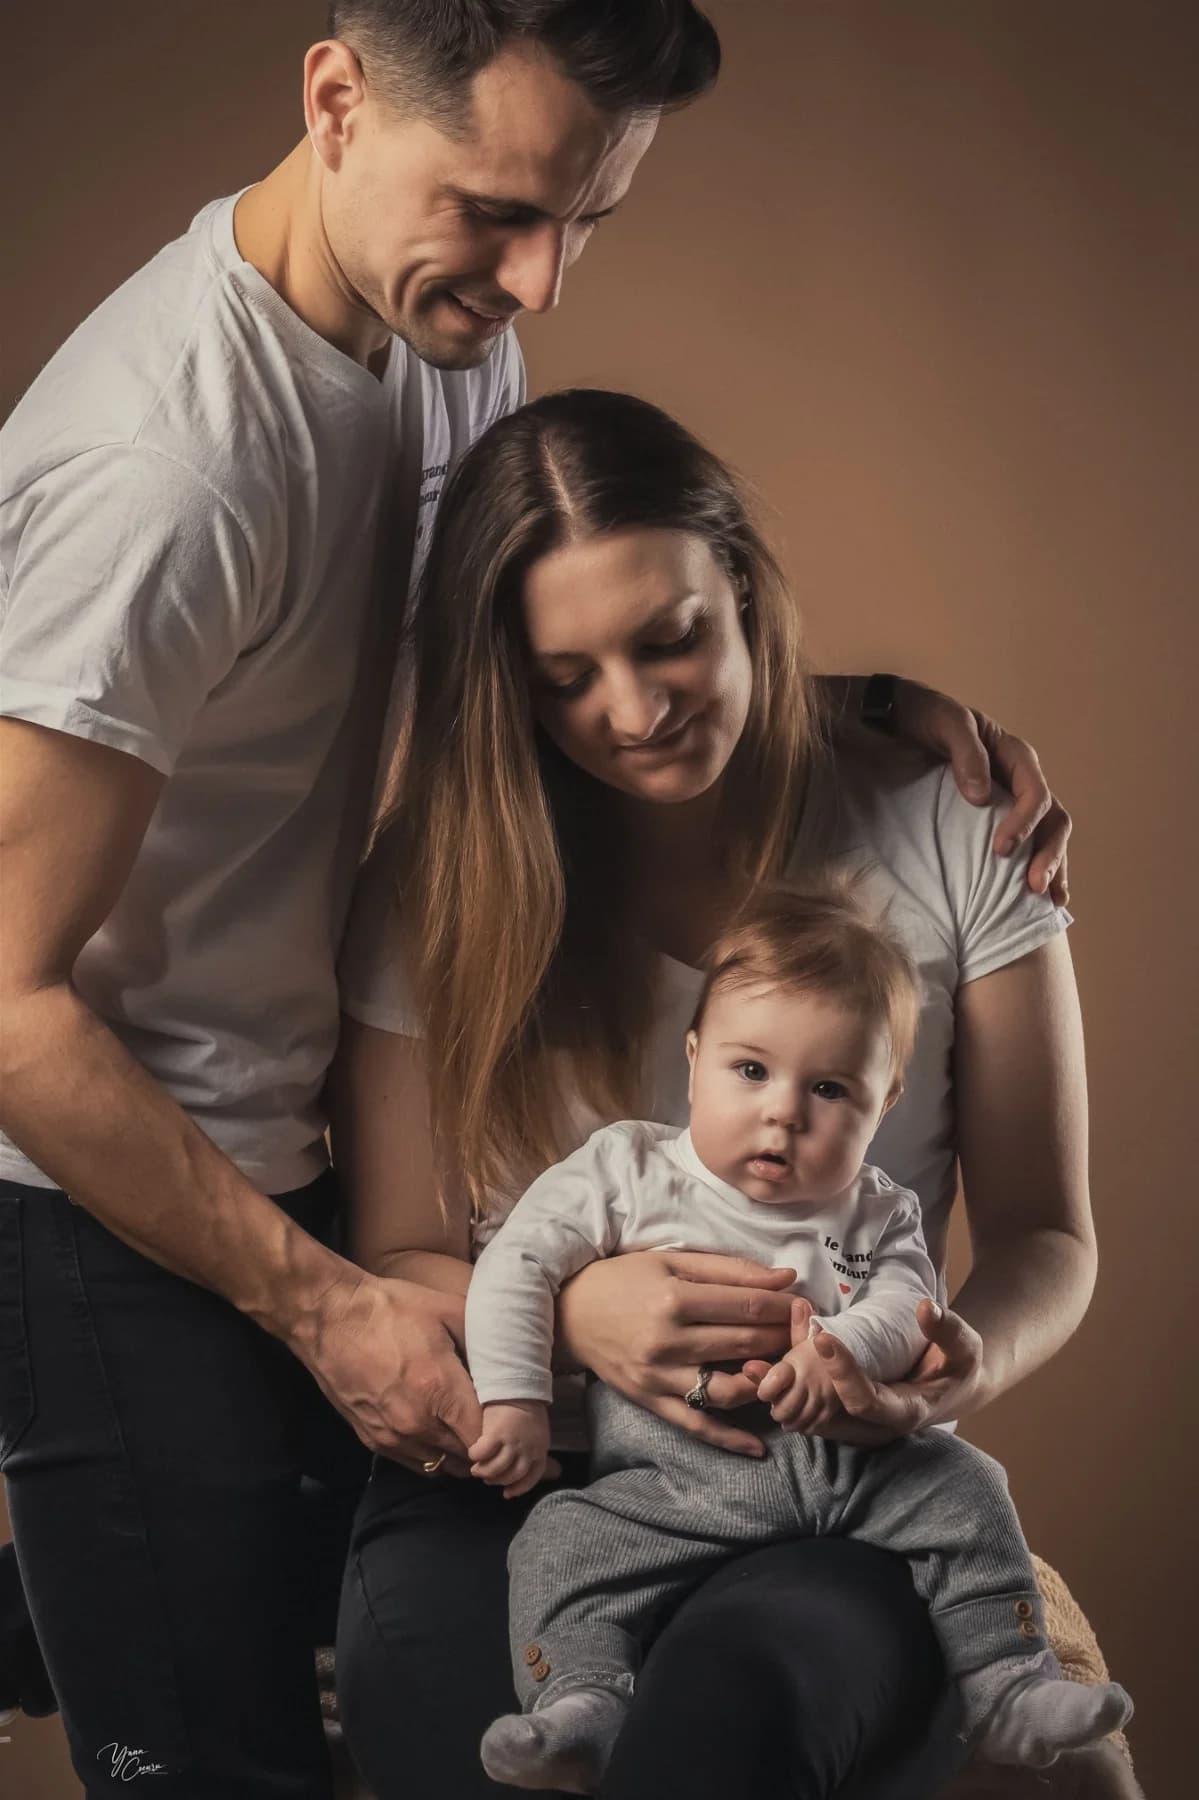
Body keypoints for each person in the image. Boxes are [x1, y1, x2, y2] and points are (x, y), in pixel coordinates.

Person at [0, 4, 1075, 1793]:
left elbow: (563, 649)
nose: (540, 279)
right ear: (334, 97)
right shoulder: (163, 473)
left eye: (583, 219)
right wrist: (335, 1307)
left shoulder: (438, 334)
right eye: (499, 209)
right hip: (117, 1200)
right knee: (229, 1753)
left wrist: (842, 713)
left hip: (306, 1147)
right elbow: (5, 997)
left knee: (326, 1634)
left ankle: (65, 1594)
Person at [331, 388, 1104, 1799]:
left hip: (823, 1482)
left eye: (670, 638)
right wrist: (565, 1314)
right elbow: (394, 1251)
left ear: (738, 579)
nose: (629, 712)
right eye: (563, 676)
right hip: (517, 1473)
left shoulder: (947, 820)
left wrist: (946, 1371)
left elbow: (1047, 1235)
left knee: (726, 1724)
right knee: (452, 1730)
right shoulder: (436, 879)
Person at [462, 888, 1131, 1792]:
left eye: (827, 1089)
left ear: (883, 1098)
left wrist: (842, 1349)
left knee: (970, 1489)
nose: (783, 1114)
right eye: (750, 1071)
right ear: (693, 1061)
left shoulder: (875, 1209)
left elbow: (906, 1302)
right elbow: (516, 1266)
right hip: (672, 1480)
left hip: (853, 1472)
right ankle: (580, 1702)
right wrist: (515, 1401)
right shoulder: (627, 1169)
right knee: (558, 1542)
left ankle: (1008, 1683)